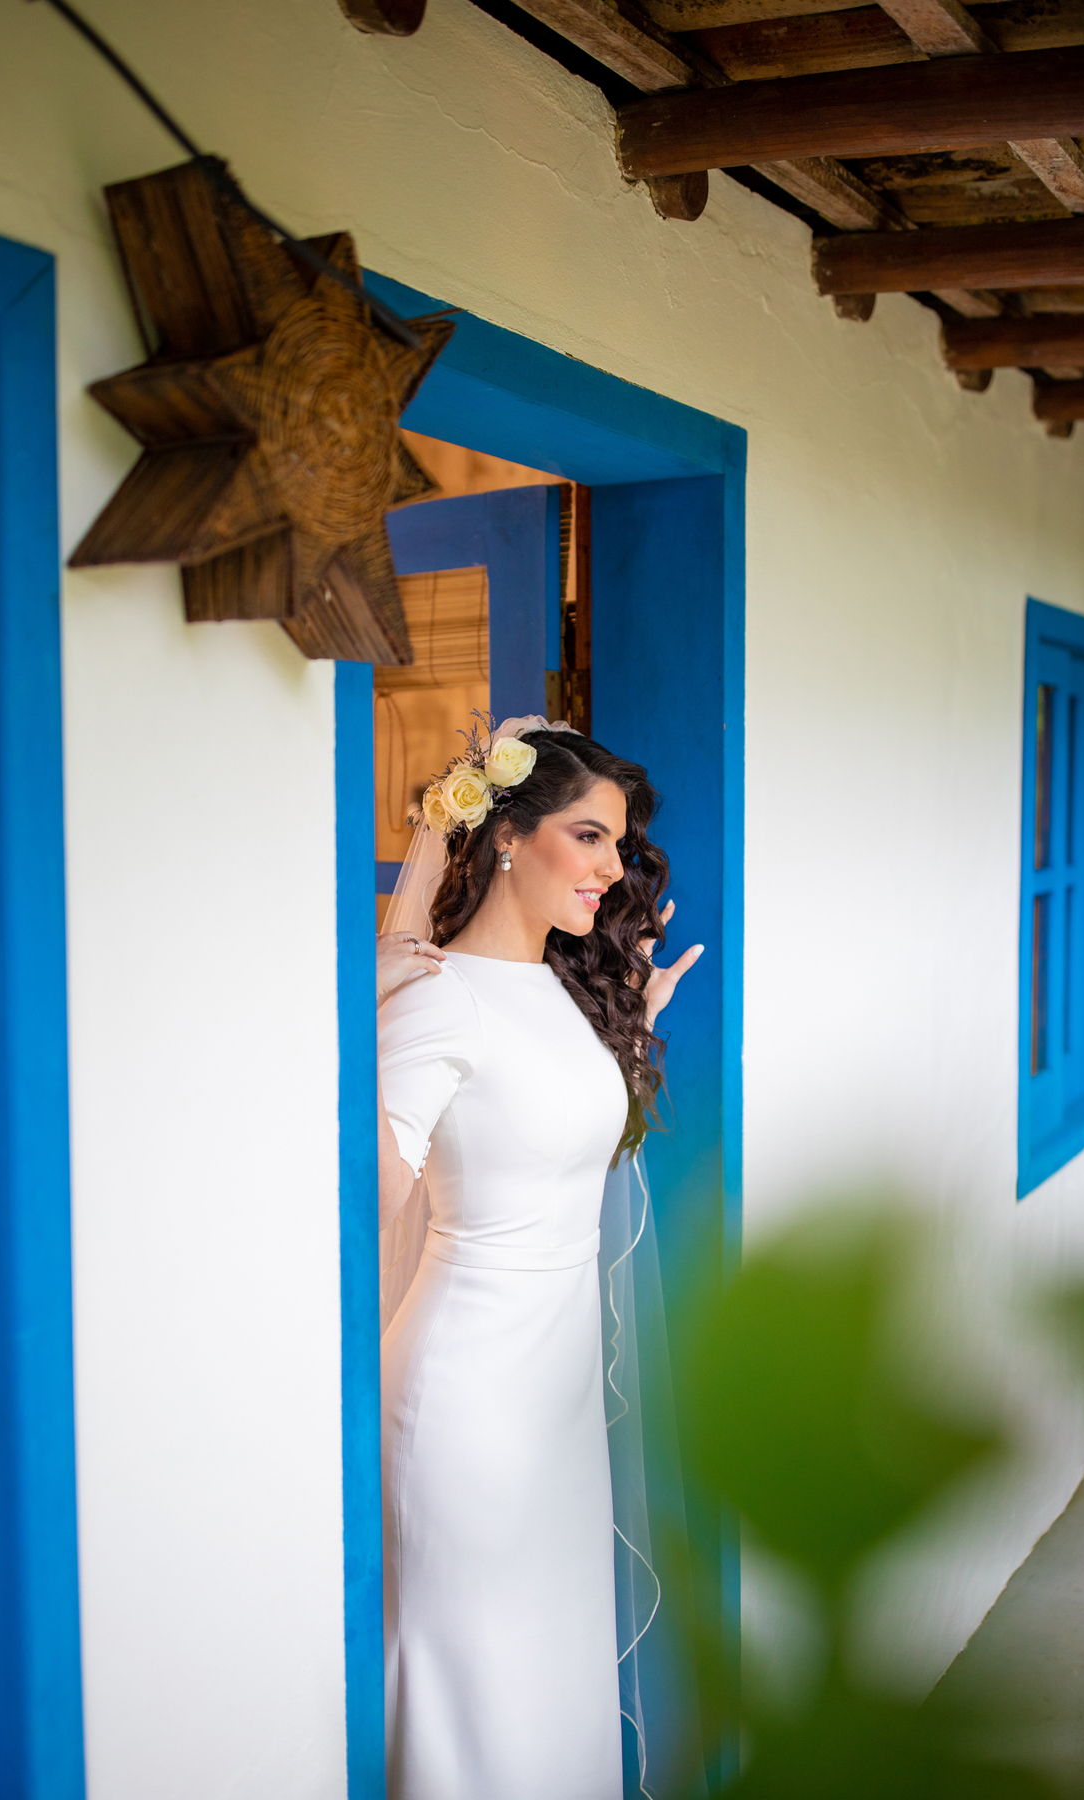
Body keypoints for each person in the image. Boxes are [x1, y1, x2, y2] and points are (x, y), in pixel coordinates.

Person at [375, 717, 702, 1800]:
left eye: (619, 843)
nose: (612, 868)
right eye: (589, 836)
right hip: (467, 1399)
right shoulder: (436, 999)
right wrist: (361, 1059)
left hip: (557, 1397)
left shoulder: (564, 988)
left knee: (549, 1671)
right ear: (507, 836)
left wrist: (630, 1036)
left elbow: (558, 1157)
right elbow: (363, 1208)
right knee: (478, 1683)